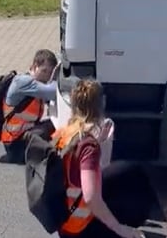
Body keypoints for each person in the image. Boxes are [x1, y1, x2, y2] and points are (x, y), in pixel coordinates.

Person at [49, 80, 150, 238]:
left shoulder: (62, 134)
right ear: (100, 105)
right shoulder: (88, 146)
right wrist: (121, 229)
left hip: (63, 222)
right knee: (133, 177)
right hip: (80, 227)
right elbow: (90, 197)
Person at [0, 49, 58, 164]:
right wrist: (59, 78)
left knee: (53, 124)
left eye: (50, 73)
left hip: (21, 136)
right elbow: (53, 92)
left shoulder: (36, 83)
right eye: (44, 71)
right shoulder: (24, 82)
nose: (47, 76)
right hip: (15, 143)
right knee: (53, 129)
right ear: (35, 66)